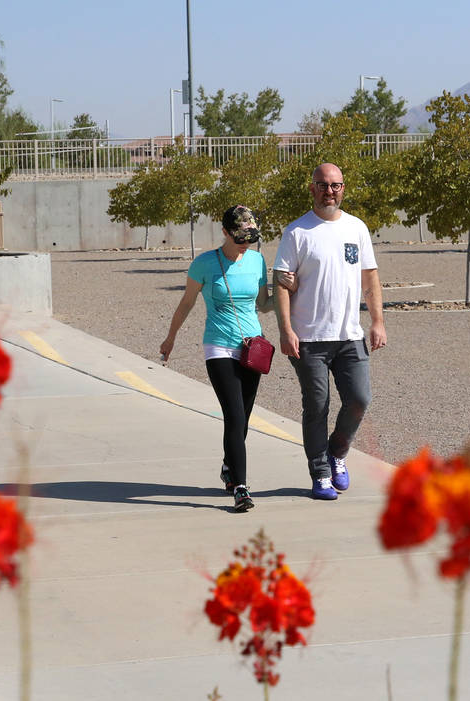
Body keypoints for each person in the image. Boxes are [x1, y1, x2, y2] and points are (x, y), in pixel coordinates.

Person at [160, 205, 295, 512]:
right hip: (219, 347)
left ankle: (228, 466)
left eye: (250, 237)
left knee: (243, 419)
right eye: (240, 237)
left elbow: (262, 304)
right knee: (234, 416)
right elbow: (186, 304)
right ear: (224, 232)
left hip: (253, 347)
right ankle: (241, 487)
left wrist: (289, 291)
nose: (245, 243)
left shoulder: (257, 261)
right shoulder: (205, 263)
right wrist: (171, 338)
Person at [272, 163, 387, 500]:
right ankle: (320, 473)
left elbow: (370, 280)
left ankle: (337, 452)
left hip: (349, 335)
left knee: (359, 399)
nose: (329, 191)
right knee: (317, 405)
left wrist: (378, 321)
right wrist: (285, 330)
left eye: (335, 185)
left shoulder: (357, 228)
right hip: (308, 339)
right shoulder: (297, 232)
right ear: (312, 189)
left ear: (343, 189)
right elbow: (280, 282)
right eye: (323, 185)